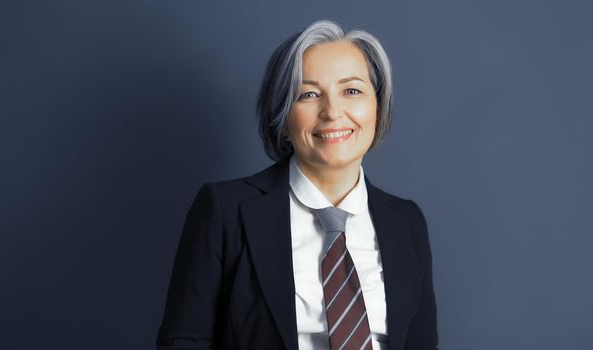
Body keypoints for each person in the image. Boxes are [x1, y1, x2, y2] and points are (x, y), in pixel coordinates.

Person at [156, 19, 438, 350]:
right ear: (283, 117)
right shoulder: (225, 211)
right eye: (308, 94)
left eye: (352, 91)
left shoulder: (405, 222)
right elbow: (185, 342)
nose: (332, 112)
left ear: (377, 106)